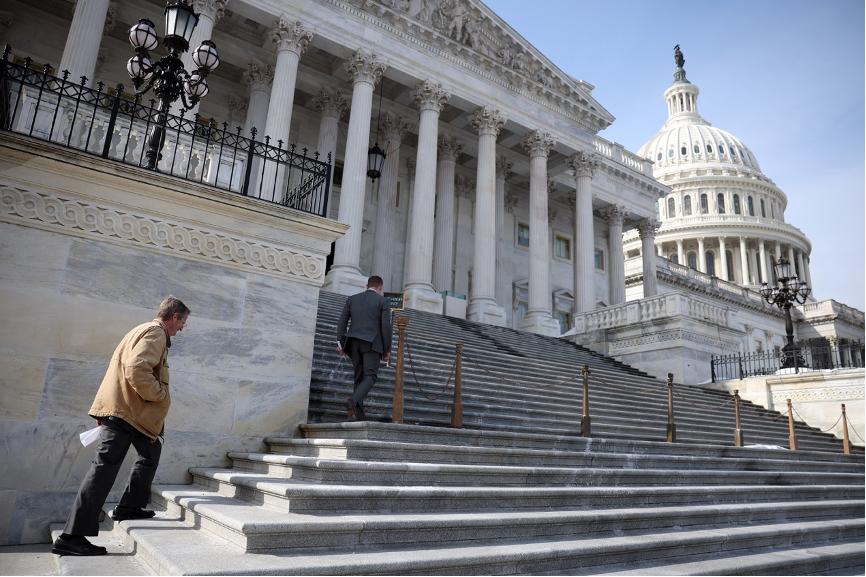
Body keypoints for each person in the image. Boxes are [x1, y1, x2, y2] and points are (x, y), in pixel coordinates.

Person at [52, 296, 190, 557]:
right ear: (175, 317)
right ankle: (72, 536)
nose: (183, 327)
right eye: (183, 322)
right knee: (102, 471)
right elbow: (137, 369)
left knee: (151, 451)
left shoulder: (141, 329)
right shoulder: (156, 332)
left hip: (128, 414)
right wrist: (159, 394)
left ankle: (130, 506)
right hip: (128, 414)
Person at [337, 276, 392, 421]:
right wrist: (387, 349)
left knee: (359, 377)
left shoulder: (352, 299)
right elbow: (386, 327)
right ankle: (353, 401)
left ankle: (357, 415)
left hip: (353, 343)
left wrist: (340, 343)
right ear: (380, 287)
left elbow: (342, 321)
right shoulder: (383, 301)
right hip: (372, 344)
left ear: (367, 286)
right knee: (370, 376)